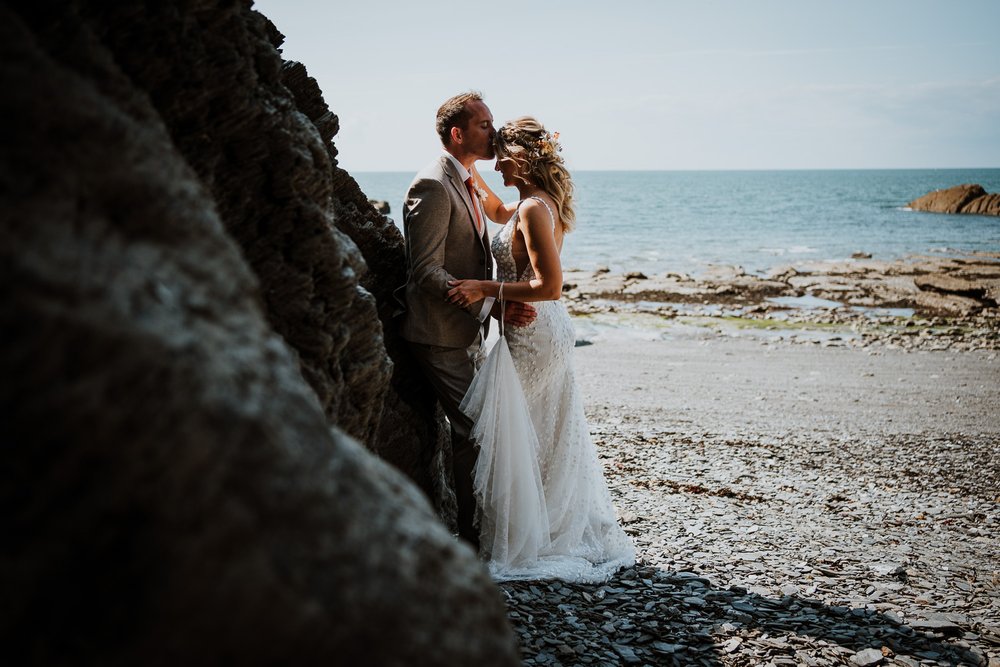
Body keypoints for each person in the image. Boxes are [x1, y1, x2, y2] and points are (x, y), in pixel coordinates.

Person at [447, 117, 635, 582]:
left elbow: (548, 286)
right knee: (535, 430)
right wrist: (464, 173)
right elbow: (494, 213)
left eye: (500, 152)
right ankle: (540, 527)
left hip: (535, 332)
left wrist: (482, 289)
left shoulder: (532, 209)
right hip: (532, 329)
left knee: (520, 430)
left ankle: (532, 537)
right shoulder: (532, 203)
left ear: (522, 159)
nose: (494, 157)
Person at [396, 92, 535, 548]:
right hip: (438, 335)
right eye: (485, 124)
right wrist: (489, 303)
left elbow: (500, 212)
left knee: (475, 430)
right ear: (458, 134)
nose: (493, 132)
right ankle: (478, 540)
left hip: (466, 332)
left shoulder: (468, 175)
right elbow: (425, 271)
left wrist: (542, 198)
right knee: (477, 431)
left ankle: (477, 533)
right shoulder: (432, 186)